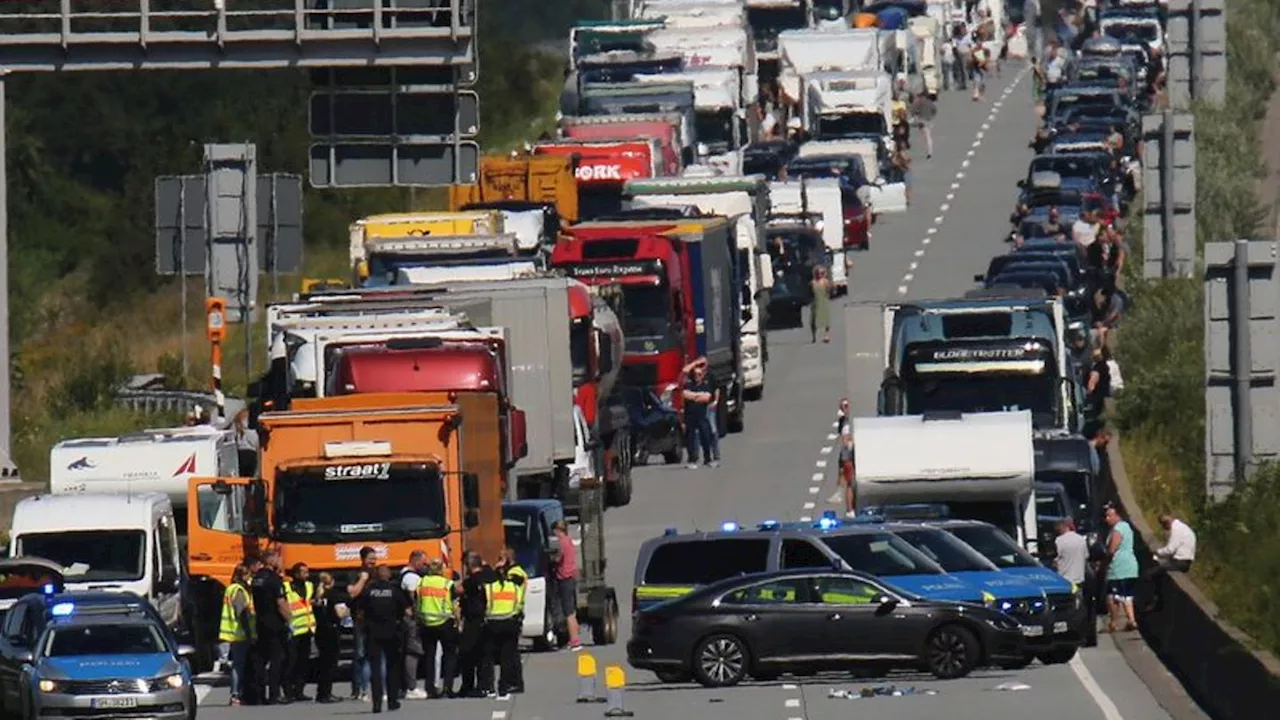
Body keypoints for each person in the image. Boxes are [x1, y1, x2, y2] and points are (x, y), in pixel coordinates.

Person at [357, 565, 409, 713]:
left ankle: (377, 704)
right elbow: (406, 610)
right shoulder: (395, 590)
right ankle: (392, 701)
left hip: (373, 633)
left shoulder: (368, 591)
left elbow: (360, 612)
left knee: (375, 668)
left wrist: (363, 627)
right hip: (392, 633)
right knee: (392, 667)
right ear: (389, 575)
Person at [250, 551, 292, 705]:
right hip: (275, 623)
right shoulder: (274, 579)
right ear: (272, 560)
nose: (281, 562)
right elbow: (280, 603)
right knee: (277, 658)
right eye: (279, 558)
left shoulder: (256, 579)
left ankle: (259, 694)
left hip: (260, 622)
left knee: (261, 659)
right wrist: (290, 620)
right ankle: (274, 694)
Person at [416, 558, 461, 698]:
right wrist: (458, 622)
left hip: (426, 623)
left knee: (429, 657)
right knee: (449, 656)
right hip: (444, 622)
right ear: (441, 569)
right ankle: (447, 688)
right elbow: (455, 605)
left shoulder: (422, 582)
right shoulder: (447, 584)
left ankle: (430, 689)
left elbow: (417, 600)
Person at [484, 551, 526, 698]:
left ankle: (494, 686)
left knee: (495, 656)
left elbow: (486, 604)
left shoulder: (491, 587)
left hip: (494, 623)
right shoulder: (513, 586)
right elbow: (518, 602)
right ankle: (505, 685)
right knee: (508, 656)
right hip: (510, 621)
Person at [457, 553, 497, 697]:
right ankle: (487, 686)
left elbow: (458, 590)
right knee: (486, 655)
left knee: (467, 654)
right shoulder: (491, 577)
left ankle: (468, 686)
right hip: (489, 618)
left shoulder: (472, 580)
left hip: (473, 620)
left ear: (470, 565)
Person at [219, 563, 255, 707]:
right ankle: (236, 695)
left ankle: (237, 695)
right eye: (248, 575)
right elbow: (242, 613)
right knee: (239, 666)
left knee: (238, 665)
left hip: (234, 633)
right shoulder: (239, 591)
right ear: (243, 576)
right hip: (239, 634)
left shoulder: (231, 589)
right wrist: (249, 633)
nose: (250, 578)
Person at [1143, 514, 1196, 611]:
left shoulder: (1176, 530)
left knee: (1149, 574)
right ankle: (1157, 597)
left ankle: (1156, 600)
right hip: (1183, 560)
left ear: (1166, 523)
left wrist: (1157, 552)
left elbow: (1170, 549)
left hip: (1181, 562)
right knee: (1158, 571)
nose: (1165, 530)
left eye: (1164, 527)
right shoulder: (1183, 528)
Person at [346, 547, 378, 701]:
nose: (373, 561)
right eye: (370, 558)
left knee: (378, 655)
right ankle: (357, 689)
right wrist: (363, 579)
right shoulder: (354, 574)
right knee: (360, 654)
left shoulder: (378, 574)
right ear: (363, 558)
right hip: (360, 619)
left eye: (375, 558)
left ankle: (375, 688)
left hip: (377, 619)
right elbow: (352, 593)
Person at [1103, 505, 1139, 632]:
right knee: (1126, 595)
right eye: (1106, 516)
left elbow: (1112, 549)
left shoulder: (1118, 529)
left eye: (1109, 516)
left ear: (1117, 515)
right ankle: (1131, 620)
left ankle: (1114, 622)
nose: (1106, 519)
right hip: (1131, 566)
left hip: (1119, 567)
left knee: (1112, 596)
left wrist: (1104, 563)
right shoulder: (1127, 527)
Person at [284, 563, 316, 702]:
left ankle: (299, 690)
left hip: (307, 629)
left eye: (307, 572)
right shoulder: (286, 588)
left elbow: (311, 602)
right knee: (291, 662)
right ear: (296, 574)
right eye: (303, 572)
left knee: (303, 662)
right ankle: (288, 691)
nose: (306, 575)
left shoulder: (309, 586)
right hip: (293, 630)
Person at [398, 551, 428, 699]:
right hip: (410, 620)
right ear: (415, 561)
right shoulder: (412, 578)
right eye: (423, 563)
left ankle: (404, 686)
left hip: (404, 619)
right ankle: (411, 687)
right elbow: (413, 597)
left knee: (407, 652)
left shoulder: (403, 573)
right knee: (413, 652)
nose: (424, 566)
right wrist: (417, 615)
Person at [681, 358, 720, 468]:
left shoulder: (705, 385)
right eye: (695, 374)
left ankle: (708, 459)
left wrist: (693, 396)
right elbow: (684, 394)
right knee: (691, 438)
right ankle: (692, 460)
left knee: (706, 436)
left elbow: (707, 397)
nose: (697, 376)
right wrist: (697, 396)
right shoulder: (688, 384)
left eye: (699, 374)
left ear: (702, 375)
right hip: (690, 416)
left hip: (702, 416)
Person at [550, 521, 582, 651]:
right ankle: (574, 637)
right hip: (571, 578)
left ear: (558, 530)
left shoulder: (562, 542)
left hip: (564, 579)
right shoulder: (569, 540)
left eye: (554, 531)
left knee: (568, 612)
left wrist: (551, 558)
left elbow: (558, 559)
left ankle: (575, 641)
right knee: (572, 611)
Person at [312, 572, 343, 704]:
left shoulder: (316, 597)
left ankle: (321, 692)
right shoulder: (333, 595)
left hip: (320, 630)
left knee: (322, 662)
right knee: (330, 663)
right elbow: (340, 613)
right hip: (332, 629)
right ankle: (326, 693)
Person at [910, 92, 937, 160]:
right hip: (928, 121)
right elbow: (934, 111)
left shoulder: (919, 102)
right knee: (928, 136)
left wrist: (915, 114)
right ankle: (929, 152)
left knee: (925, 137)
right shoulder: (930, 103)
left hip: (921, 121)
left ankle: (928, 152)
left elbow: (913, 110)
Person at [810, 265, 833, 344]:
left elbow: (829, 290)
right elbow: (809, 292)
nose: (819, 275)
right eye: (817, 273)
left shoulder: (825, 282)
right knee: (814, 319)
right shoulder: (813, 283)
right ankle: (814, 336)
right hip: (815, 302)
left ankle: (827, 335)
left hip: (823, 301)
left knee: (826, 318)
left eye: (821, 273)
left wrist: (828, 296)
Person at [836, 432, 856, 518]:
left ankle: (850, 509)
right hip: (850, 465)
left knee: (850, 486)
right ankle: (850, 509)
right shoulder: (847, 447)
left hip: (850, 464)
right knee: (850, 486)